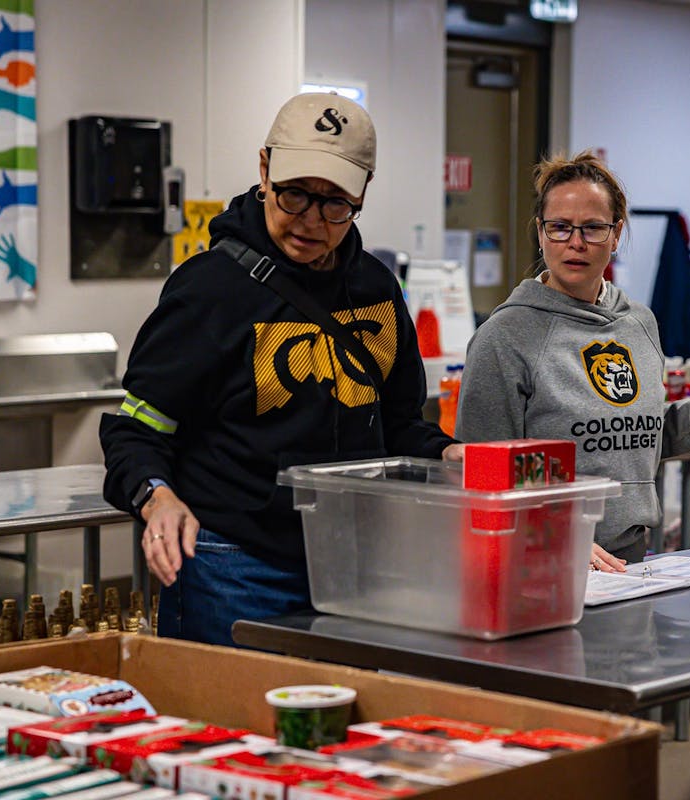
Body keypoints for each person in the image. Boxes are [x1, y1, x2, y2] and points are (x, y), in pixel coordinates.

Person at [101, 93, 463, 647]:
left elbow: (398, 425)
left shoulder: (376, 289)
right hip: (235, 569)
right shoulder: (208, 290)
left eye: (335, 203)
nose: (310, 221)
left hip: (353, 568)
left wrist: (445, 452)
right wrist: (158, 497)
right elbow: (136, 429)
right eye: (295, 194)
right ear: (265, 169)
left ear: (363, 193)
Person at [455, 150, 690, 571]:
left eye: (592, 228)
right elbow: (480, 474)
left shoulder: (638, 324)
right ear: (539, 233)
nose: (575, 242)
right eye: (560, 228)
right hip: (538, 563)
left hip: (629, 563)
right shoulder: (504, 337)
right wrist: (556, 536)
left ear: (616, 234)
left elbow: (628, 437)